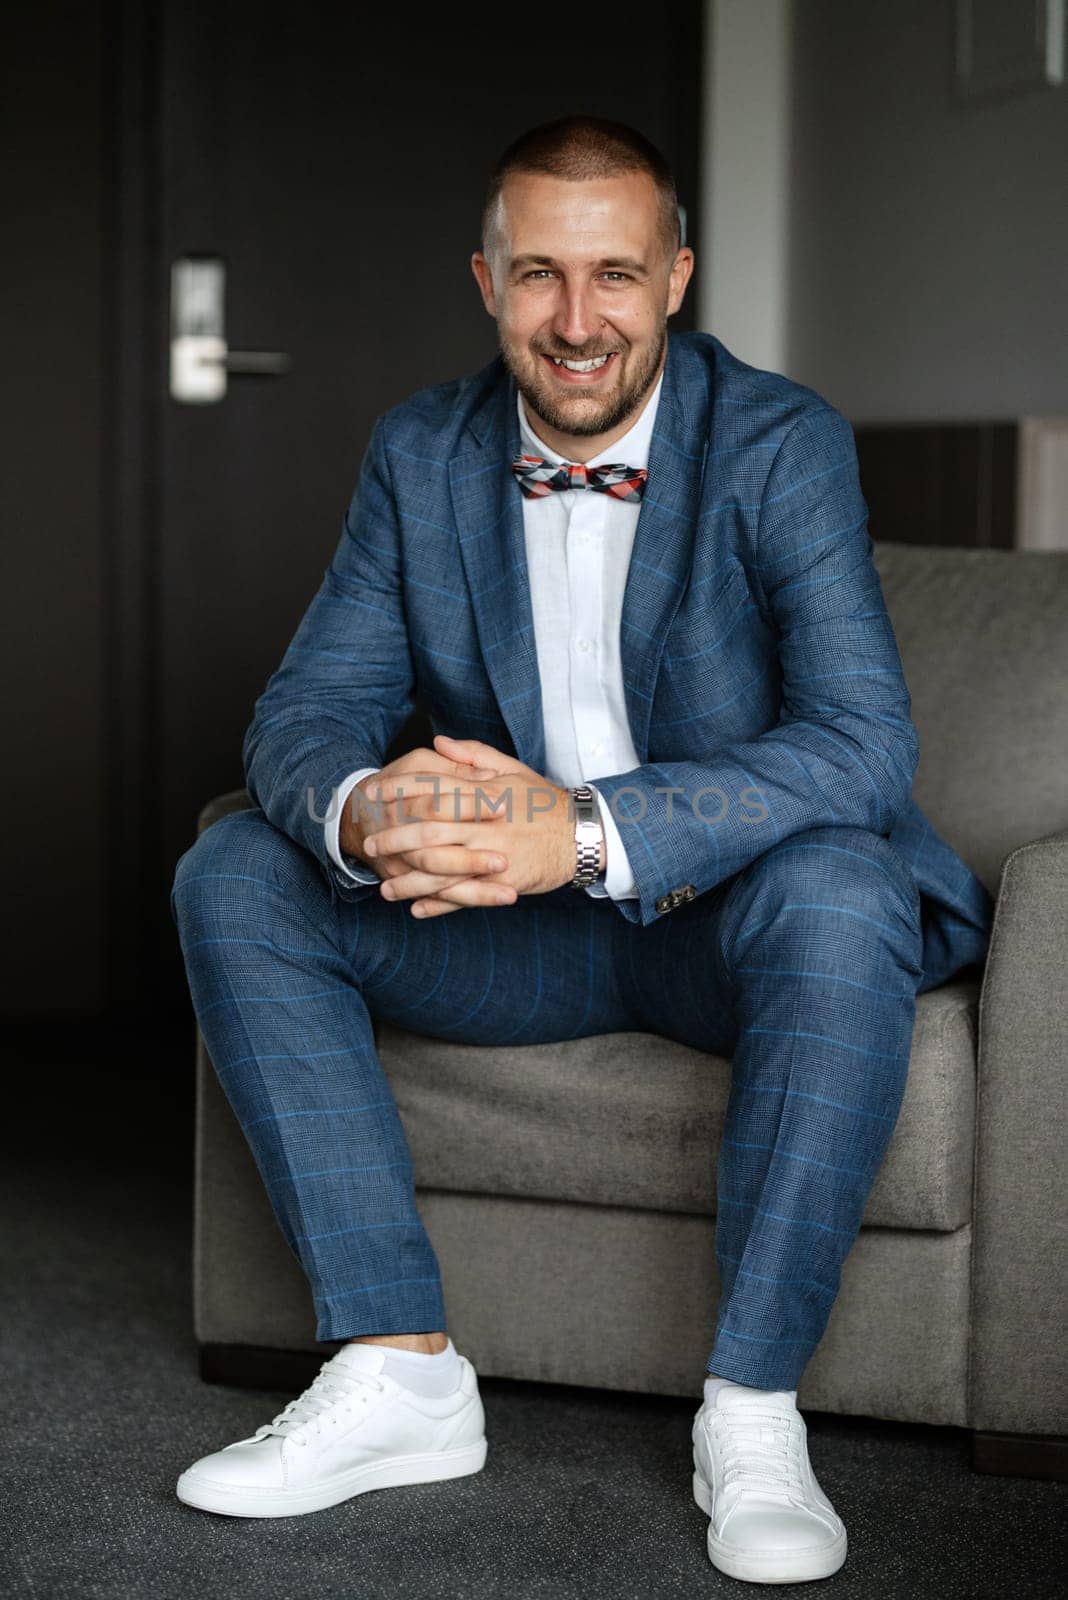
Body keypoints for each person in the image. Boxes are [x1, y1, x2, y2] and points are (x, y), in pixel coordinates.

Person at [170, 115, 993, 1582]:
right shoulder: (420, 451)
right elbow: (307, 710)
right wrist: (372, 810)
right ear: (483, 281)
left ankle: (750, 1413)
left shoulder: (780, 441)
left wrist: (588, 829)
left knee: (845, 882)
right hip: (516, 936)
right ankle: (400, 1371)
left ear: (676, 276)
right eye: (537, 275)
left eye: (614, 274)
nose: (576, 320)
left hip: (722, 915)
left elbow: (864, 745)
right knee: (236, 865)